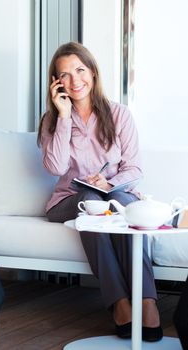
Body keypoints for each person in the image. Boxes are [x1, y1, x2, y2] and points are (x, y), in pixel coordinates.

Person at [37, 41, 163, 342]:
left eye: (79, 70)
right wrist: (64, 116)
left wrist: (108, 183)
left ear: (92, 72)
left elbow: (134, 169)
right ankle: (119, 302)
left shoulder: (119, 114)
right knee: (92, 202)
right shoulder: (52, 121)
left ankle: (146, 300)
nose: (74, 80)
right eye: (64, 74)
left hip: (111, 195)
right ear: (56, 82)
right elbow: (55, 168)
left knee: (120, 204)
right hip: (69, 200)